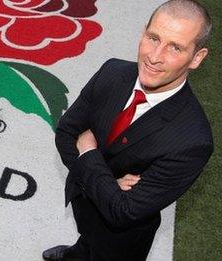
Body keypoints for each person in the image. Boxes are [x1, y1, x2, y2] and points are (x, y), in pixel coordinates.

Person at [42, 0, 213, 260]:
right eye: (153, 38)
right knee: (85, 240)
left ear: (197, 58)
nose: (155, 57)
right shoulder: (112, 72)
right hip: (82, 200)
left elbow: (123, 212)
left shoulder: (193, 141)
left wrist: (88, 153)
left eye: (175, 47)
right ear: (143, 31)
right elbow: (66, 133)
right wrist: (107, 185)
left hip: (121, 242)